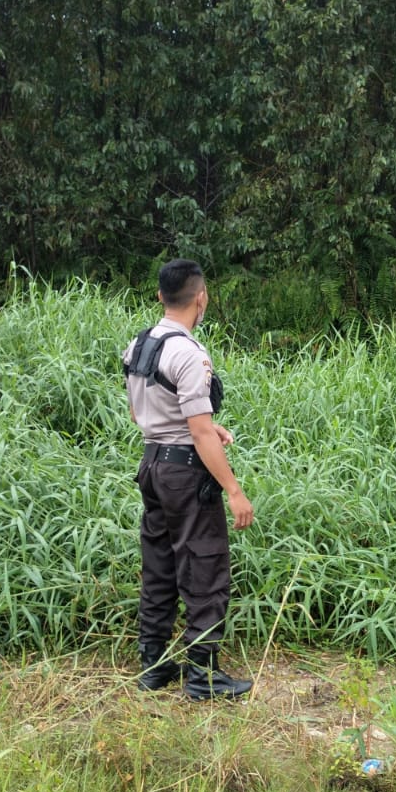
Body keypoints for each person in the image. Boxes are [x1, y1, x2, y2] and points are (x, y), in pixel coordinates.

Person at [123, 259, 255, 700]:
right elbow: (198, 431)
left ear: (161, 296)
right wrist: (234, 491)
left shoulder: (139, 345)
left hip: (152, 463)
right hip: (184, 473)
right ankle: (204, 676)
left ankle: (154, 665)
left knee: (159, 565)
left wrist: (199, 429)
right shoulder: (189, 352)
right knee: (204, 565)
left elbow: (142, 412)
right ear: (201, 297)